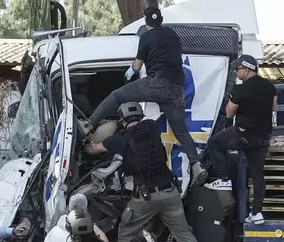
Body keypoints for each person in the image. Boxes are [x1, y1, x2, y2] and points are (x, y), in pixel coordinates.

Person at [84, 102, 216, 242]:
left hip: (145, 198)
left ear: (122, 119)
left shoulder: (117, 140)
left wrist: (86, 144)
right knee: (186, 237)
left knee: (126, 234)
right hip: (170, 193)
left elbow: (94, 149)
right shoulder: (153, 129)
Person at [81, 6, 207, 189]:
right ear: (161, 20)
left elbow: (138, 66)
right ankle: (196, 164)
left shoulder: (146, 37)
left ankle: (88, 124)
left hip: (156, 84)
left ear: (145, 22)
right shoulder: (172, 34)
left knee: (117, 96)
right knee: (181, 131)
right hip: (176, 89)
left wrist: (131, 70)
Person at [204, 54, 277, 225]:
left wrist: (233, 100)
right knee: (258, 175)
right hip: (263, 136)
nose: (236, 72)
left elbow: (229, 113)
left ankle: (223, 180)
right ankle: (257, 213)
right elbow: (273, 107)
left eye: (237, 69)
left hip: (243, 134)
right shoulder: (270, 86)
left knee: (214, 143)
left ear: (246, 69)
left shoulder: (241, 89)